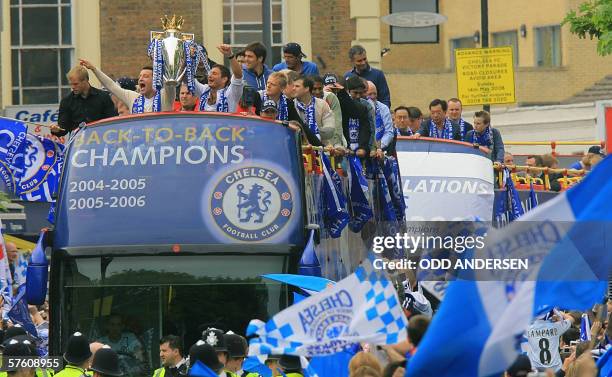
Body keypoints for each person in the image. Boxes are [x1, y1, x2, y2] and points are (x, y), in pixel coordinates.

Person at [79, 59, 175, 114]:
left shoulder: (165, 96)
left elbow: (170, 83)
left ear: (155, 80)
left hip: (161, 145)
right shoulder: (133, 98)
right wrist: (94, 69)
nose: (141, 79)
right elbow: (111, 86)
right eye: (140, 76)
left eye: (145, 76)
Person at [50, 65, 117, 137]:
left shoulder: (103, 97)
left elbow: (112, 122)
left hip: (100, 140)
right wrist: (56, 130)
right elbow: (63, 129)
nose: (72, 87)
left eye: (76, 84)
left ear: (85, 80)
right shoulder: (66, 101)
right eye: (71, 84)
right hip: (78, 144)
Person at [326, 77, 371, 158]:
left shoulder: (364, 106)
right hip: (334, 147)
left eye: (360, 93)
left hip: (355, 149)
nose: (358, 96)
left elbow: (366, 128)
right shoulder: (328, 101)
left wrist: (363, 147)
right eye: (355, 93)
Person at [193, 45, 244, 113]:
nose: (209, 76)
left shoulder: (231, 94)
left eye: (214, 74)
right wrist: (188, 57)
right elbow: (187, 79)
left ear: (224, 79)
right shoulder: (204, 90)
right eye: (210, 73)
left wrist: (230, 55)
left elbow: (238, 75)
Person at [292, 76, 336, 146]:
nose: (293, 88)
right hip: (298, 149)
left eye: (297, 86)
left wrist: (309, 133)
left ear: (307, 88)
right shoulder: (291, 105)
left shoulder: (322, 104)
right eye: (293, 86)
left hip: (321, 148)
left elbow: (329, 131)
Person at [366, 81, 394, 157]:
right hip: (364, 149)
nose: (373, 96)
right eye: (370, 94)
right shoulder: (361, 107)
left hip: (381, 150)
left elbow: (389, 132)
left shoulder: (384, 108)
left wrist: (378, 147)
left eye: (374, 93)